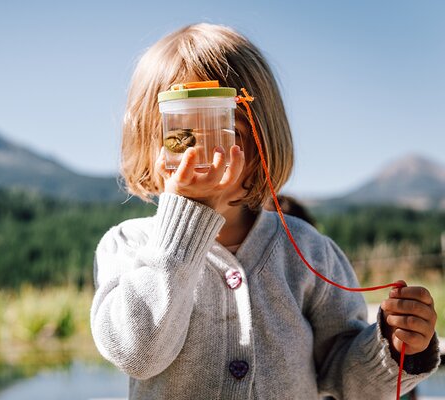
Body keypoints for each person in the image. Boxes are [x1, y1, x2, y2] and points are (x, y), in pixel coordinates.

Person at [90, 23, 440, 399]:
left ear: (263, 141)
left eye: (227, 133)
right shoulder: (127, 246)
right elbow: (138, 355)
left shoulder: (307, 251)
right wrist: (185, 228)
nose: (204, 159)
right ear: (148, 145)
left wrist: (397, 345)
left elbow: (346, 379)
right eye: (182, 138)